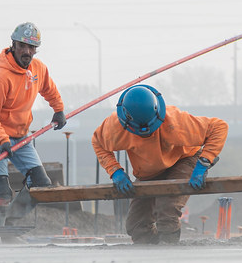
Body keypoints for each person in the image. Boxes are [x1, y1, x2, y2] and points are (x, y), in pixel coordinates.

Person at [92, 84, 228, 244]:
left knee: (167, 212)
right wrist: (115, 171)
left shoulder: (174, 121)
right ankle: (151, 251)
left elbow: (218, 127)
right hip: (148, 171)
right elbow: (98, 143)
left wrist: (204, 162)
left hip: (182, 160)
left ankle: (169, 250)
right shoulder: (114, 128)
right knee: (136, 225)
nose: (147, 134)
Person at [0, 22, 66, 226]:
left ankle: (9, 224)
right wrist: (2, 140)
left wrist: (58, 109)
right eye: (22, 46)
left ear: (36, 49)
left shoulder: (38, 68)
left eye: (31, 47)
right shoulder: (0, 78)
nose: (26, 51)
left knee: (40, 185)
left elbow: (49, 89)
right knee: (0, 191)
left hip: (21, 134)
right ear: (13, 45)